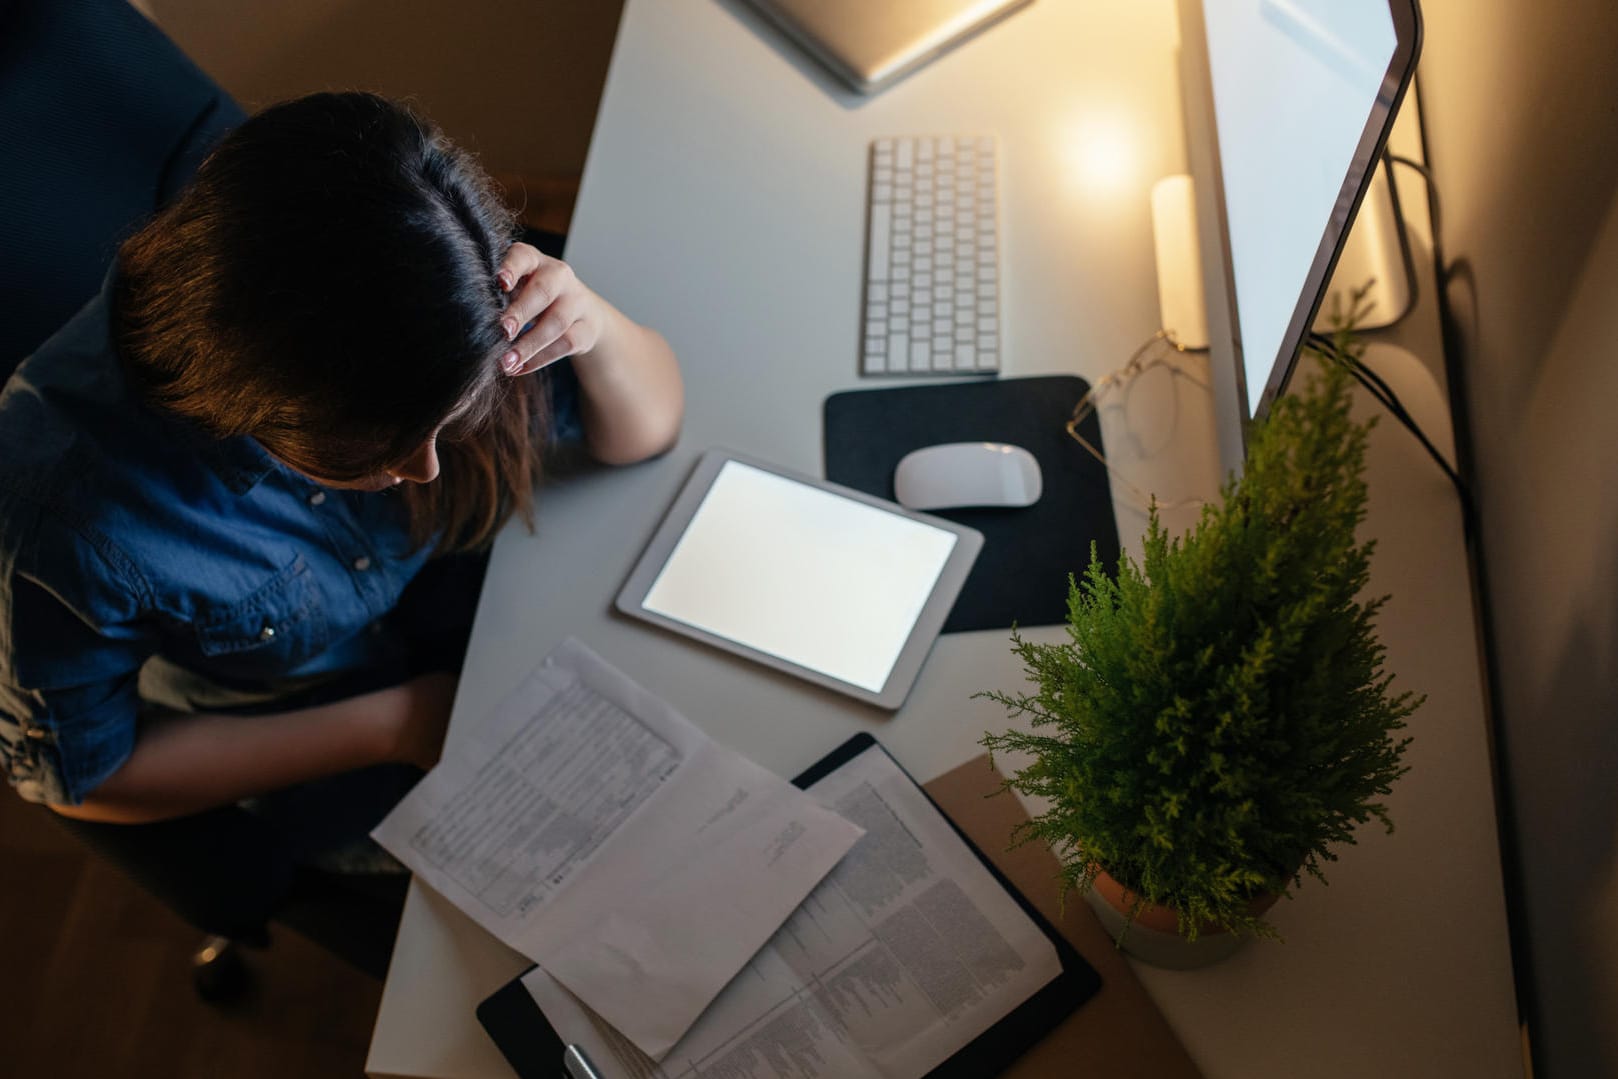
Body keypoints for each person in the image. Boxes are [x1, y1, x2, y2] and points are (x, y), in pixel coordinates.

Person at [0, 93, 682, 842]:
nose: (424, 469)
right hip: (318, 722)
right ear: (268, 404)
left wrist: (596, 323)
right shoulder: (57, 524)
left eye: (438, 429)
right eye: (377, 444)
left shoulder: (409, 271)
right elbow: (82, 776)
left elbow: (645, 434)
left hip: (467, 601)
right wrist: (400, 723)